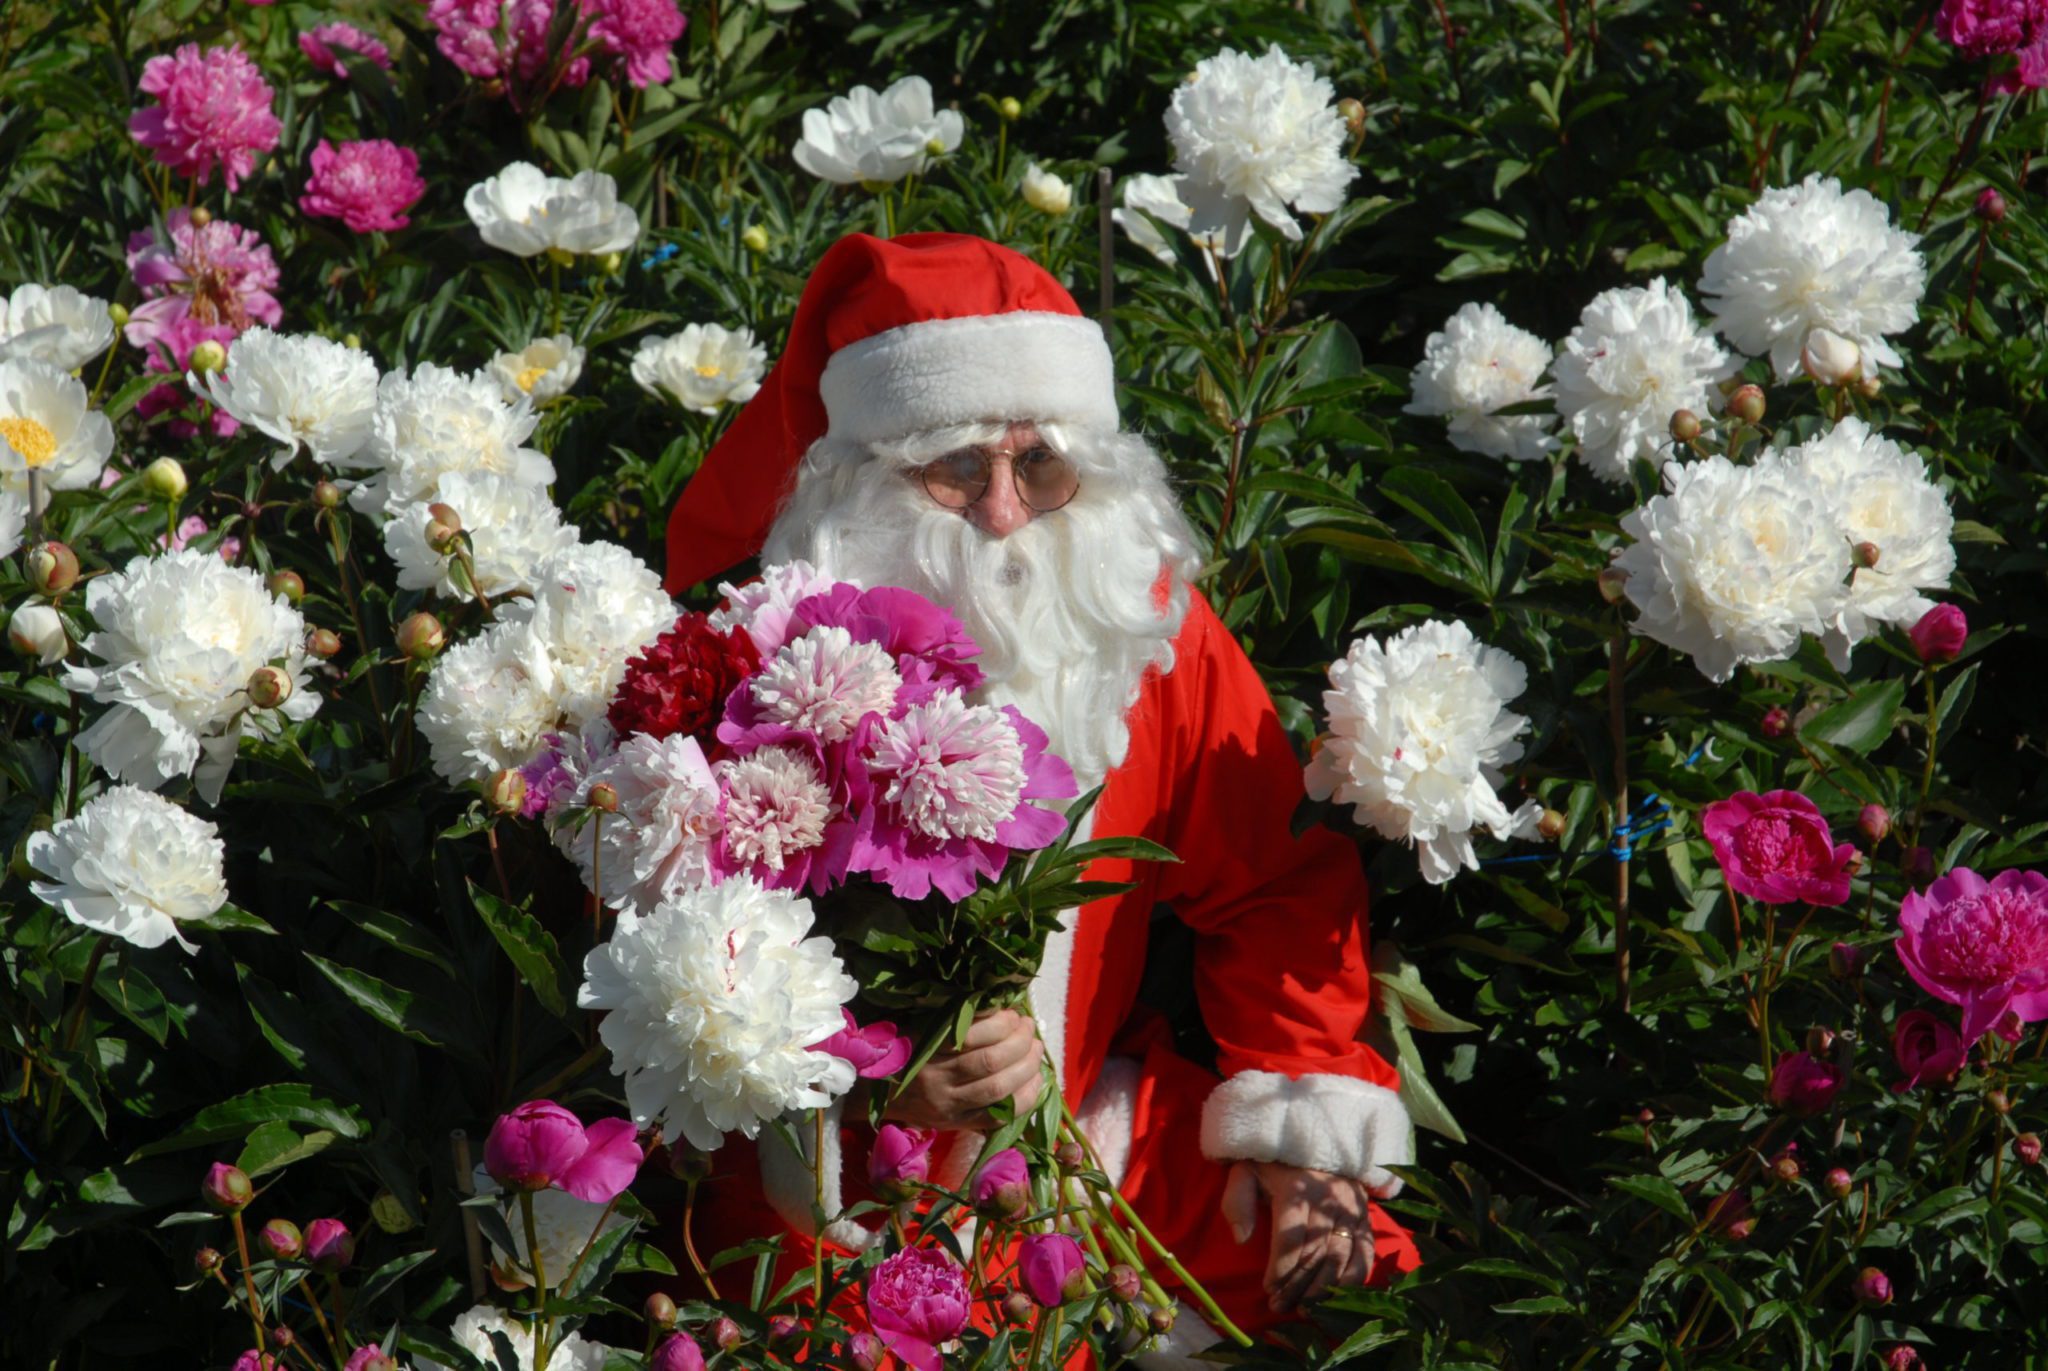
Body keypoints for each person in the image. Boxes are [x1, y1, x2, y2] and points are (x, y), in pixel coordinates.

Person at [663, 232, 1418, 1356]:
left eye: (1042, 467)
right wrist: (875, 1077)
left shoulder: (1138, 623)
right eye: (957, 468)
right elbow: (673, 965)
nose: (1007, 513)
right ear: (860, 481)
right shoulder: (753, 661)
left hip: (1074, 1136)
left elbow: (1276, 883)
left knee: (1353, 1269)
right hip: (833, 1176)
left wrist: (1303, 1124)